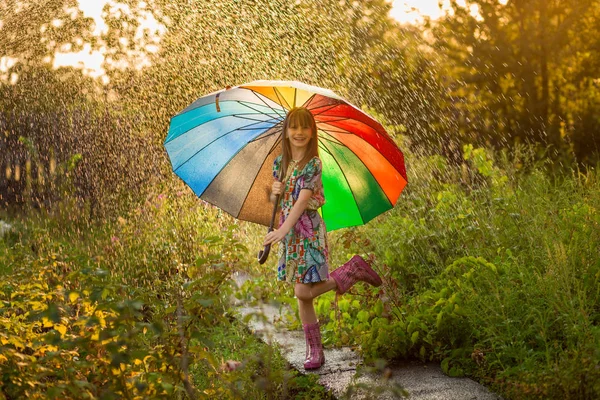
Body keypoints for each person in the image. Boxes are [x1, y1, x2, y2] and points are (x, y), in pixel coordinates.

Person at [263, 107, 383, 370]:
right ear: (285, 131)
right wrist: (274, 191)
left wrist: (282, 231)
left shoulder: (313, 164)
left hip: (307, 231)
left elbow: (303, 200)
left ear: (312, 132)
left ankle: (350, 270)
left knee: (301, 289)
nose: (299, 132)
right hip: (290, 234)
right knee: (302, 295)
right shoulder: (279, 163)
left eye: (305, 127)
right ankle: (314, 351)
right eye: (293, 127)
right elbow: (278, 201)